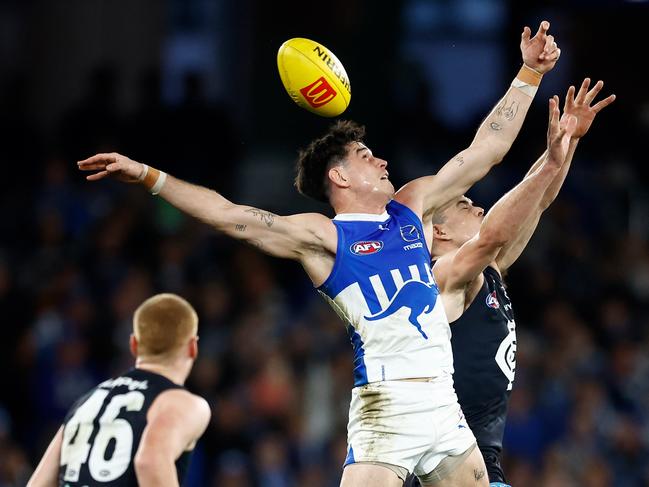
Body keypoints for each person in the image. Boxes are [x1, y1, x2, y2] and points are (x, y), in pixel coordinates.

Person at [77, 21, 560, 487]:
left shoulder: (412, 206)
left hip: (443, 401)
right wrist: (146, 174)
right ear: (340, 178)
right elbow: (228, 215)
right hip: (385, 408)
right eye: (367, 157)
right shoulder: (324, 239)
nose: (383, 160)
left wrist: (529, 74)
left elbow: (486, 149)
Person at [402, 80, 614, 487]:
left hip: (480, 459)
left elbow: (538, 200)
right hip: (442, 464)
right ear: (440, 233)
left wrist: (566, 142)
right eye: (465, 205)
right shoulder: (443, 274)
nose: (478, 205)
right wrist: (551, 163)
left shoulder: (489, 270)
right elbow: (493, 234)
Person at [27, 293, 211, 487]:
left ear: (134, 345)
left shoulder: (88, 400)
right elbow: (150, 462)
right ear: (193, 347)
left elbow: (37, 484)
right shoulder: (184, 403)